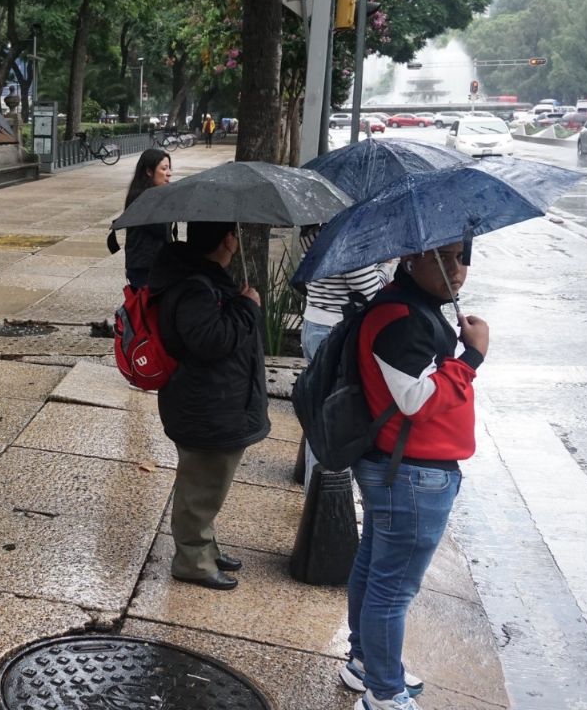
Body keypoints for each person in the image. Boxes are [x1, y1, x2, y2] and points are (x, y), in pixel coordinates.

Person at [342, 241, 488, 710]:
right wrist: (471, 359)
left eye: (462, 257)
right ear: (410, 258)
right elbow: (416, 400)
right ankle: (384, 692)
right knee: (393, 586)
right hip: (411, 474)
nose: (456, 269)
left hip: (400, 467)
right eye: (442, 258)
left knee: (374, 568)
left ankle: (365, 662)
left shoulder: (412, 308)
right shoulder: (401, 318)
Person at [149, 221, 270, 590]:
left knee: (210, 485)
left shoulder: (202, 277)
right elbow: (212, 340)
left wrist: (239, 301)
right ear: (226, 240)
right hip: (206, 407)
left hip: (214, 403)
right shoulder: (193, 288)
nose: (237, 240)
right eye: (234, 233)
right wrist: (248, 308)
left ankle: (206, 547)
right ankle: (193, 560)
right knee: (200, 489)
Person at [297, 224, 395, 489]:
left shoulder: (313, 231)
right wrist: (387, 265)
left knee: (320, 416)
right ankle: (322, 505)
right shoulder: (349, 235)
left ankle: (314, 497)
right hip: (335, 331)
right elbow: (369, 290)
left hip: (313, 322)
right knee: (333, 426)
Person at [108, 149, 173, 288]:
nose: (169, 173)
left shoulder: (152, 195)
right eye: (164, 168)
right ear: (149, 172)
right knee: (146, 308)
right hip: (145, 267)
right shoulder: (144, 198)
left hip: (151, 264)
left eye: (169, 168)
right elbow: (161, 229)